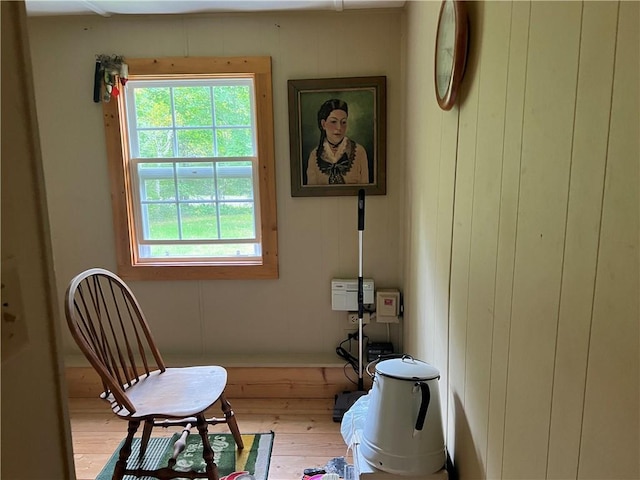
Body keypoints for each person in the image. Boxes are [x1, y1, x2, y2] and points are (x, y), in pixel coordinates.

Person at [306, 99, 370, 185]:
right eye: (333, 122)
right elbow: (310, 194)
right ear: (323, 124)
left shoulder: (359, 152)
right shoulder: (314, 156)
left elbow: (366, 192)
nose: (339, 127)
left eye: (343, 122)